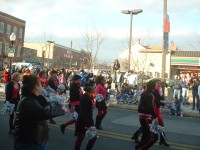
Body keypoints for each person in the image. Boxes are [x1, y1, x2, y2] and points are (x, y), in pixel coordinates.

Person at [14, 74, 65, 150]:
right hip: (28, 143)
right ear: (36, 87)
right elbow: (43, 113)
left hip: (36, 140)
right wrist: (61, 109)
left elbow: (46, 104)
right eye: (40, 85)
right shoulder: (27, 101)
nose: (42, 87)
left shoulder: (34, 98)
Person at [135, 80, 158, 150]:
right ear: (153, 86)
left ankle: (139, 146)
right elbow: (150, 106)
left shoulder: (144, 93)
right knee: (154, 137)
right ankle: (140, 148)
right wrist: (155, 117)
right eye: (156, 84)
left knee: (146, 134)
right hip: (146, 117)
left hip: (142, 116)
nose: (157, 86)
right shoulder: (150, 95)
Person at [75, 80, 97, 150]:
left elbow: (88, 111)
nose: (95, 88)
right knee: (92, 137)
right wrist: (89, 125)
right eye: (94, 87)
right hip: (83, 122)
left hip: (87, 121)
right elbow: (84, 113)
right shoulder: (85, 98)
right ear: (90, 88)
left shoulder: (89, 97)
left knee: (81, 138)